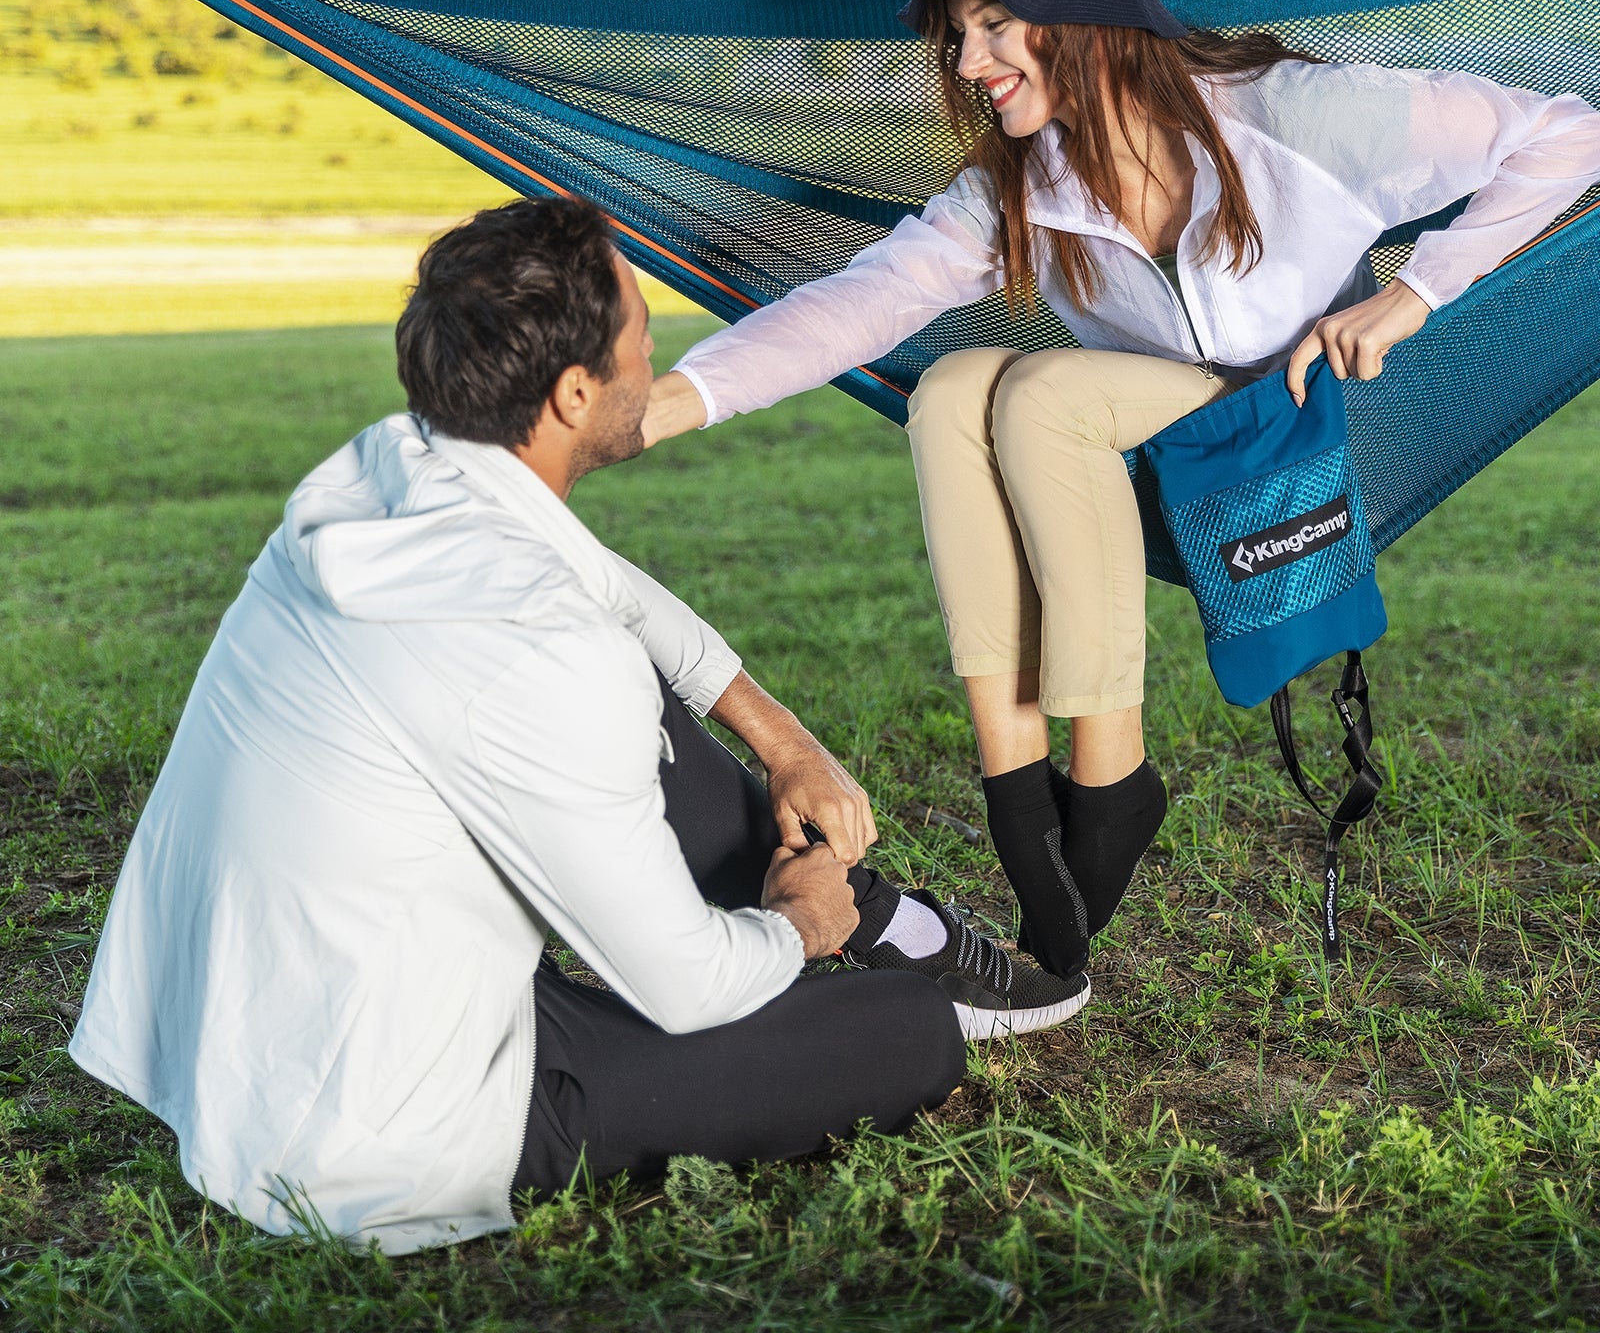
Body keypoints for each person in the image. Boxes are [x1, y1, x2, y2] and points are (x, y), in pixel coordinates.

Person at [67, 196, 1090, 1257]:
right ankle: (870, 937)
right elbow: (686, 987)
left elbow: (612, 590)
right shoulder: (543, 652)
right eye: (645, 339)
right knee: (899, 1037)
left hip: (260, 1035)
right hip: (383, 1128)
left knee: (642, 688)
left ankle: (882, 916)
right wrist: (797, 924)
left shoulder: (383, 472)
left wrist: (781, 735)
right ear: (573, 393)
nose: (658, 360)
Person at [643, 0, 1600, 984]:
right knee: (950, 391)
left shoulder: (1299, 119)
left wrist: (1412, 293)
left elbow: (1567, 135)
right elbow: (860, 302)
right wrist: (674, 401)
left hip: (1302, 431)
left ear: (1089, 19)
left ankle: (1109, 779)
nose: (967, 64)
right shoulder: (1017, 186)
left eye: (994, 26)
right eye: (958, 34)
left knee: (1045, 394)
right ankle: (1015, 785)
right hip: (1155, 452)